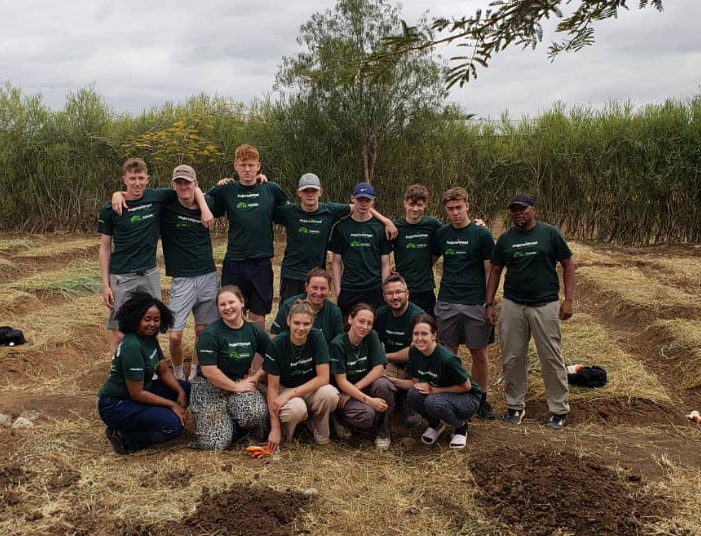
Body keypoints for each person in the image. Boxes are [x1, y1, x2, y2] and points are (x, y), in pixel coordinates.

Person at [100, 158, 213, 354]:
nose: (137, 183)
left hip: (149, 274)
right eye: (132, 178)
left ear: (147, 179)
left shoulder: (157, 197)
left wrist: (204, 207)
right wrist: (105, 285)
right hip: (121, 276)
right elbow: (104, 247)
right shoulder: (111, 208)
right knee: (120, 331)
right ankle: (118, 374)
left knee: (151, 326)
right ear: (124, 178)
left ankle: (149, 370)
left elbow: (190, 187)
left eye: (141, 178)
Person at [485, 194, 575, 431]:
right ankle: (515, 405)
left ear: (533, 209)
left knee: (550, 357)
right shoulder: (506, 239)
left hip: (545, 304)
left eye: (522, 209)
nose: (518, 213)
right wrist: (489, 304)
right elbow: (495, 271)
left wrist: (569, 300)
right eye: (514, 210)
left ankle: (558, 409)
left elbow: (568, 264)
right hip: (513, 304)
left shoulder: (549, 233)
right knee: (512, 357)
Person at [275, 173, 397, 303]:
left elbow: (359, 207)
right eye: (306, 191)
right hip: (292, 273)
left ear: (320, 192)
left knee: (315, 314)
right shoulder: (289, 211)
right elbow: (264, 210)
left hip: (317, 274)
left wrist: (386, 221)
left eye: (313, 190)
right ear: (299, 192)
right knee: (289, 313)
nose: (310, 194)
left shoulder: (330, 210)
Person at [432, 187, 499, 420]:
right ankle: (453, 395)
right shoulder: (442, 233)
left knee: (478, 352)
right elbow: (430, 259)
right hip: (448, 301)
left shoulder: (481, 235)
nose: (455, 213)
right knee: (448, 353)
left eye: (459, 207)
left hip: (475, 303)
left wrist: (489, 303)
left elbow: (490, 271)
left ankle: (481, 399)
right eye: (450, 209)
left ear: (467, 206)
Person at [206, 144, 289, 330]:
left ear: (258, 166)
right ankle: (236, 357)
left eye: (251, 165)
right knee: (233, 313)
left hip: (261, 261)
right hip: (235, 261)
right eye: (243, 165)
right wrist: (216, 185)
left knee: (258, 317)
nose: (247, 169)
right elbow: (204, 202)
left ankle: (257, 359)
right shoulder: (227, 190)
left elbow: (289, 213)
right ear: (235, 166)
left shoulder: (271, 189)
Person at [97, 291, 190, 455]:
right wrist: (172, 404)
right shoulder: (132, 346)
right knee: (173, 426)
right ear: (136, 318)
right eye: (147, 319)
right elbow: (137, 393)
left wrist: (180, 391)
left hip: (141, 392)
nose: (152, 324)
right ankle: (124, 437)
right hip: (117, 404)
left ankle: (150, 417)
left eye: (156, 319)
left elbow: (162, 370)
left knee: (188, 389)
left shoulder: (149, 339)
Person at [190, 286, 270, 450]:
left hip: (240, 382)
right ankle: (226, 426)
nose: (227, 308)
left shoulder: (253, 329)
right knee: (215, 444)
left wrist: (256, 377)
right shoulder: (210, 334)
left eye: (231, 302)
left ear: (241, 302)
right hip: (210, 388)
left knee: (254, 413)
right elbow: (209, 371)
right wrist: (236, 387)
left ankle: (234, 422)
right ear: (218, 308)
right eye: (222, 304)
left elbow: (273, 356)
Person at [264, 300, 340, 453]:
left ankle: (318, 428)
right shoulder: (277, 343)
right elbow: (272, 387)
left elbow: (323, 377)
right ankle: (286, 435)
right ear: (288, 321)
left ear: (312, 323)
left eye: (306, 324)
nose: (301, 328)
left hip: (308, 387)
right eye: (296, 323)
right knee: (297, 408)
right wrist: (274, 427)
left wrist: (291, 394)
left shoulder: (317, 337)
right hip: (284, 387)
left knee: (330, 394)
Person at [406, 314, 482, 450]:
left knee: (433, 402)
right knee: (413, 393)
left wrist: (435, 391)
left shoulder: (446, 359)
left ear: (434, 335)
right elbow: (415, 379)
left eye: (424, 334)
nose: (419, 338)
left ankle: (461, 427)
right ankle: (435, 424)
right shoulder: (414, 351)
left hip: (468, 397)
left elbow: (466, 386)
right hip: (441, 394)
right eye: (415, 334)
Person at [329, 303, 396, 450]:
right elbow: (341, 381)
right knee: (367, 415)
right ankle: (340, 419)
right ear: (350, 319)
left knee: (384, 385)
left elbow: (379, 369)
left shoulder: (372, 336)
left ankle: (383, 430)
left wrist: (356, 388)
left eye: (369, 323)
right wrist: (370, 402)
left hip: (361, 386)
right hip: (344, 393)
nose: (365, 327)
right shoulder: (338, 344)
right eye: (361, 321)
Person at [330, 182, 392, 318]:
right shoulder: (341, 227)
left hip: (374, 288)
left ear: (373, 201)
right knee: (348, 329)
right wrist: (338, 290)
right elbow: (336, 262)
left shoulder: (381, 228)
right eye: (360, 199)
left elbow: (385, 263)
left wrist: (385, 289)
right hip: (349, 288)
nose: (363, 204)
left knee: (374, 328)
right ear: (352, 199)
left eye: (367, 200)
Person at [373, 275, 424, 427]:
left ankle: (411, 404)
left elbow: (414, 350)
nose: (394, 297)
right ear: (384, 296)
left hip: (414, 365)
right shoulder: (381, 314)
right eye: (389, 293)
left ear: (407, 293)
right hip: (390, 365)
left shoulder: (418, 317)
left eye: (398, 292)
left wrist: (383, 357)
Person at [391, 184, 442, 315]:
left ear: (426, 204)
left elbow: (450, 235)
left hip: (425, 288)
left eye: (419, 205)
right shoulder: (396, 226)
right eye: (411, 204)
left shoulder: (432, 224)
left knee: (426, 327)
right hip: (402, 288)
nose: (415, 209)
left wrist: (478, 226)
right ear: (404, 203)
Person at [271, 268, 344, 344]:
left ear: (329, 290)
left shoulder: (334, 312)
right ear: (306, 287)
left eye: (323, 289)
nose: (318, 293)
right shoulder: (288, 306)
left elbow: (338, 343)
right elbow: (274, 335)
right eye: (314, 288)